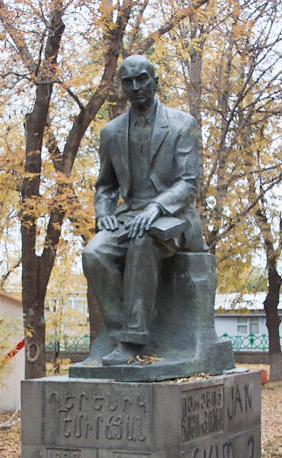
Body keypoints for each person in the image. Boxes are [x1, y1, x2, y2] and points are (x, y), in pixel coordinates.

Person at [83, 55, 207, 366]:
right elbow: (105, 186)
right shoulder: (111, 132)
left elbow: (188, 183)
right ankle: (118, 335)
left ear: (155, 81)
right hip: (128, 215)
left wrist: (156, 206)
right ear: (121, 86)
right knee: (94, 254)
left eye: (142, 79)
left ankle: (133, 341)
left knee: (143, 240)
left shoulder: (182, 124)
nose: (136, 87)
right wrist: (104, 212)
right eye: (128, 81)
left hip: (173, 216)